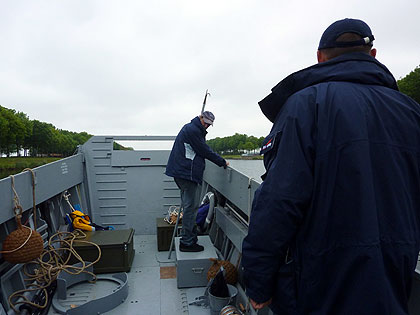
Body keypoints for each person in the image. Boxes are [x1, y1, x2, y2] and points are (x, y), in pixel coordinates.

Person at [242, 18, 420, 314]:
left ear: (319, 57)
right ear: (373, 55)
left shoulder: (304, 106)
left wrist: (258, 279)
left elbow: (279, 200)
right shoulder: (412, 113)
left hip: (319, 281)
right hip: (392, 278)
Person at [166, 111, 229, 252]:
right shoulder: (193, 130)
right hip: (186, 174)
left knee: (189, 206)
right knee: (191, 208)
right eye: (205, 122)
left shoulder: (192, 128)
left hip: (182, 173)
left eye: (209, 124)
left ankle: (190, 237)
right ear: (200, 118)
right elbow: (204, 150)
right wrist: (222, 161)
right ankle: (187, 242)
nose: (206, 125)